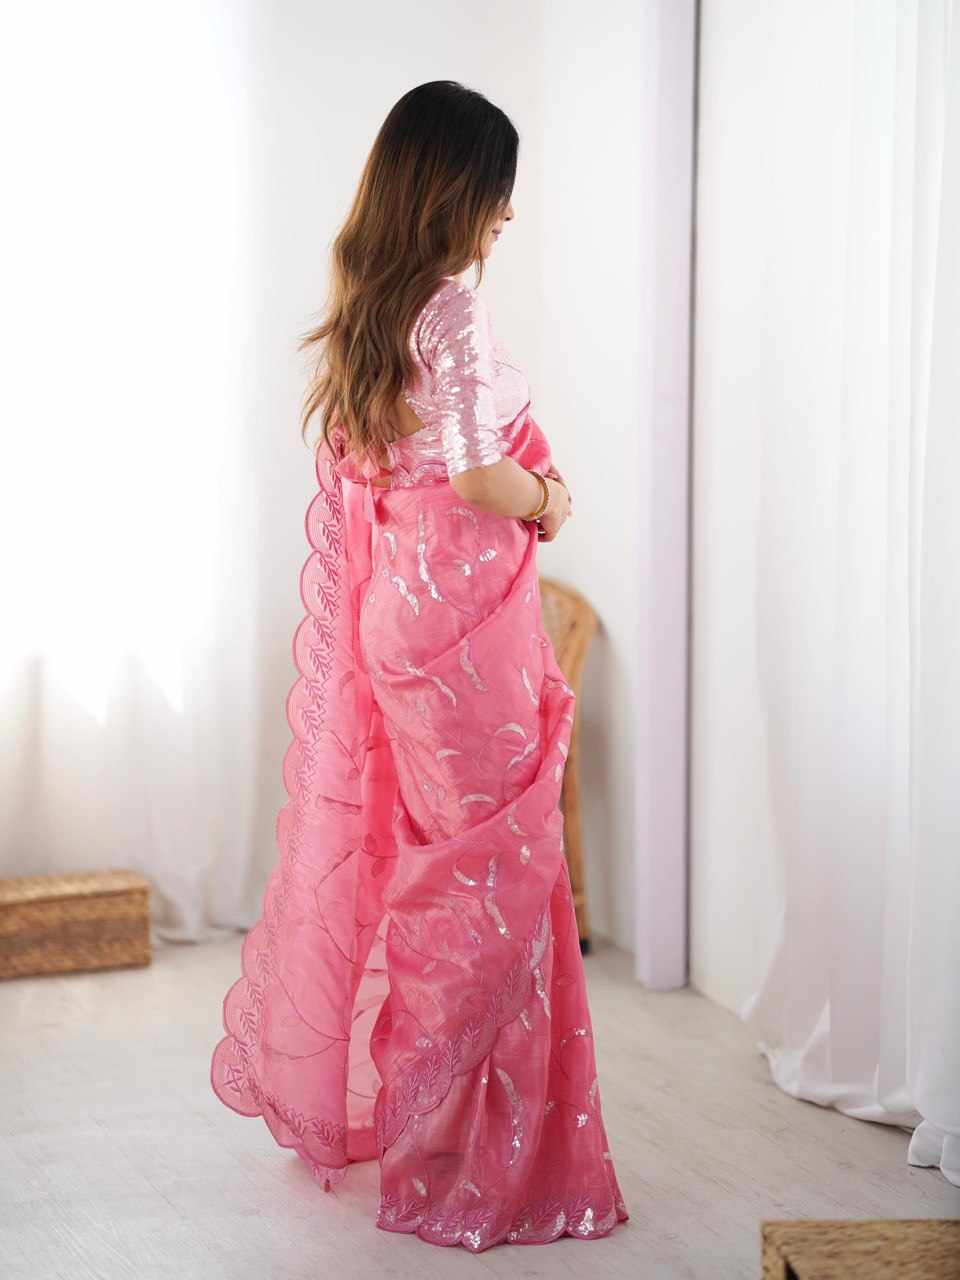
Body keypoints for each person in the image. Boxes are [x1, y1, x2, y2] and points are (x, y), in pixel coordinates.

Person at [211, 79, 629, 1253]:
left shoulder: (372, 306)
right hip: (463, 646)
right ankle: (473, 1168)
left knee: (447, 878)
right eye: (498, 191)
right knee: (494, 887)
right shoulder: (449, 311)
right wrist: (547, 500)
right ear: (455, 187)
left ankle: (438, 1135)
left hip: (406, 623)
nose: (508, 214)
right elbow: (477, 476)